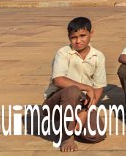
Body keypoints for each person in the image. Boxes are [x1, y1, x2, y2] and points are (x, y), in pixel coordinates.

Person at [42, 16, 107, 152]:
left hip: (81, 102)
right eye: (74, 37)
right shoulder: (63, 53)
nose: (78, 41)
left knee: (96, 135)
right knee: (72, 91)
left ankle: (70, 123)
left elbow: (99, 87)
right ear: (68, 37)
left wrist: (85, 111)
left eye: (83, 36)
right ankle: (67, 136)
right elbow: (58, 80)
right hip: (55, 104)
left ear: (91, 33)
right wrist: (87, 87)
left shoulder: (98, 56)